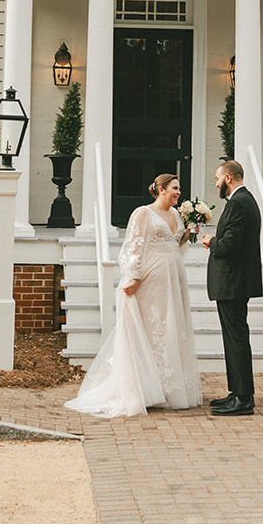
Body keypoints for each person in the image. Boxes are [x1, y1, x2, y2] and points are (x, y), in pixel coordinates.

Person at [65, 173, 202, 418]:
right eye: (174, 188)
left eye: (179, 188)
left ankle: (168, 389)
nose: (179, 192)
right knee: (152, 329)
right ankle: (146, 389)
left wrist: (186, 235)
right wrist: (134, 276)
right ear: (160, 189)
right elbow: (134, 246)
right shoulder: (143, 213)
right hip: (151, 279)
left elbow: (176, 247)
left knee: (170, 328)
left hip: (174, 277)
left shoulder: (176, 215)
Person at [200, 159, 261, 416]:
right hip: (235, 282)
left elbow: (230, 244)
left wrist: (211, 241)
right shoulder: (245, 200)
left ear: (228, 178)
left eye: (217, 178)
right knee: (234, 338)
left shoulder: (238, 203)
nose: (216, 183)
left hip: (233, 282)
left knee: (236, 339)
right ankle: (236, 392)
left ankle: (244, 398)